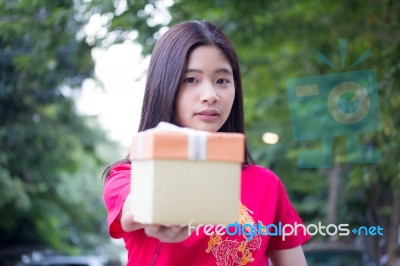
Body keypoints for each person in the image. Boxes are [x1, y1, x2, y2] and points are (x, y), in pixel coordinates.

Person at [103, 20, 311, 265]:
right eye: (191, 79)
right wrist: (152, 213)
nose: (211, 95)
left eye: (222, 80)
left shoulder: (267, 185)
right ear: (164, 86)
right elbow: (135, 205)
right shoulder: (129, 175)